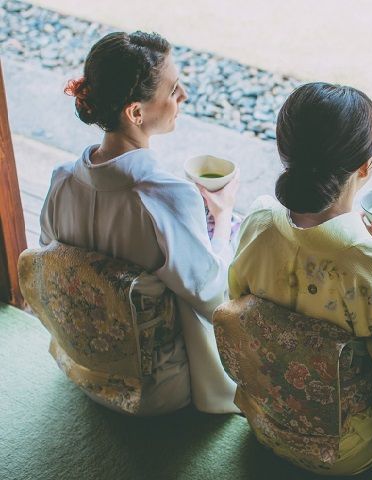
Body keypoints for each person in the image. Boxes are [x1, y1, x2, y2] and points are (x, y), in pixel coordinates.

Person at [228, 82, 372, 475]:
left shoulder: (259, 222)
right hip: (346, 450)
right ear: (366, 167)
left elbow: (237, 306)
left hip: (264, 418)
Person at [40, 31, 240, 415]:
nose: (184, 97)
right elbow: (214, 297)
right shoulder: (165, 196)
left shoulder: (62, 180)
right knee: (241, 236)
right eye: (175, 89)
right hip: (156, 388)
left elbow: (51, 257)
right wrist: (222, 213)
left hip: (84, 364)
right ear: (135, 113)